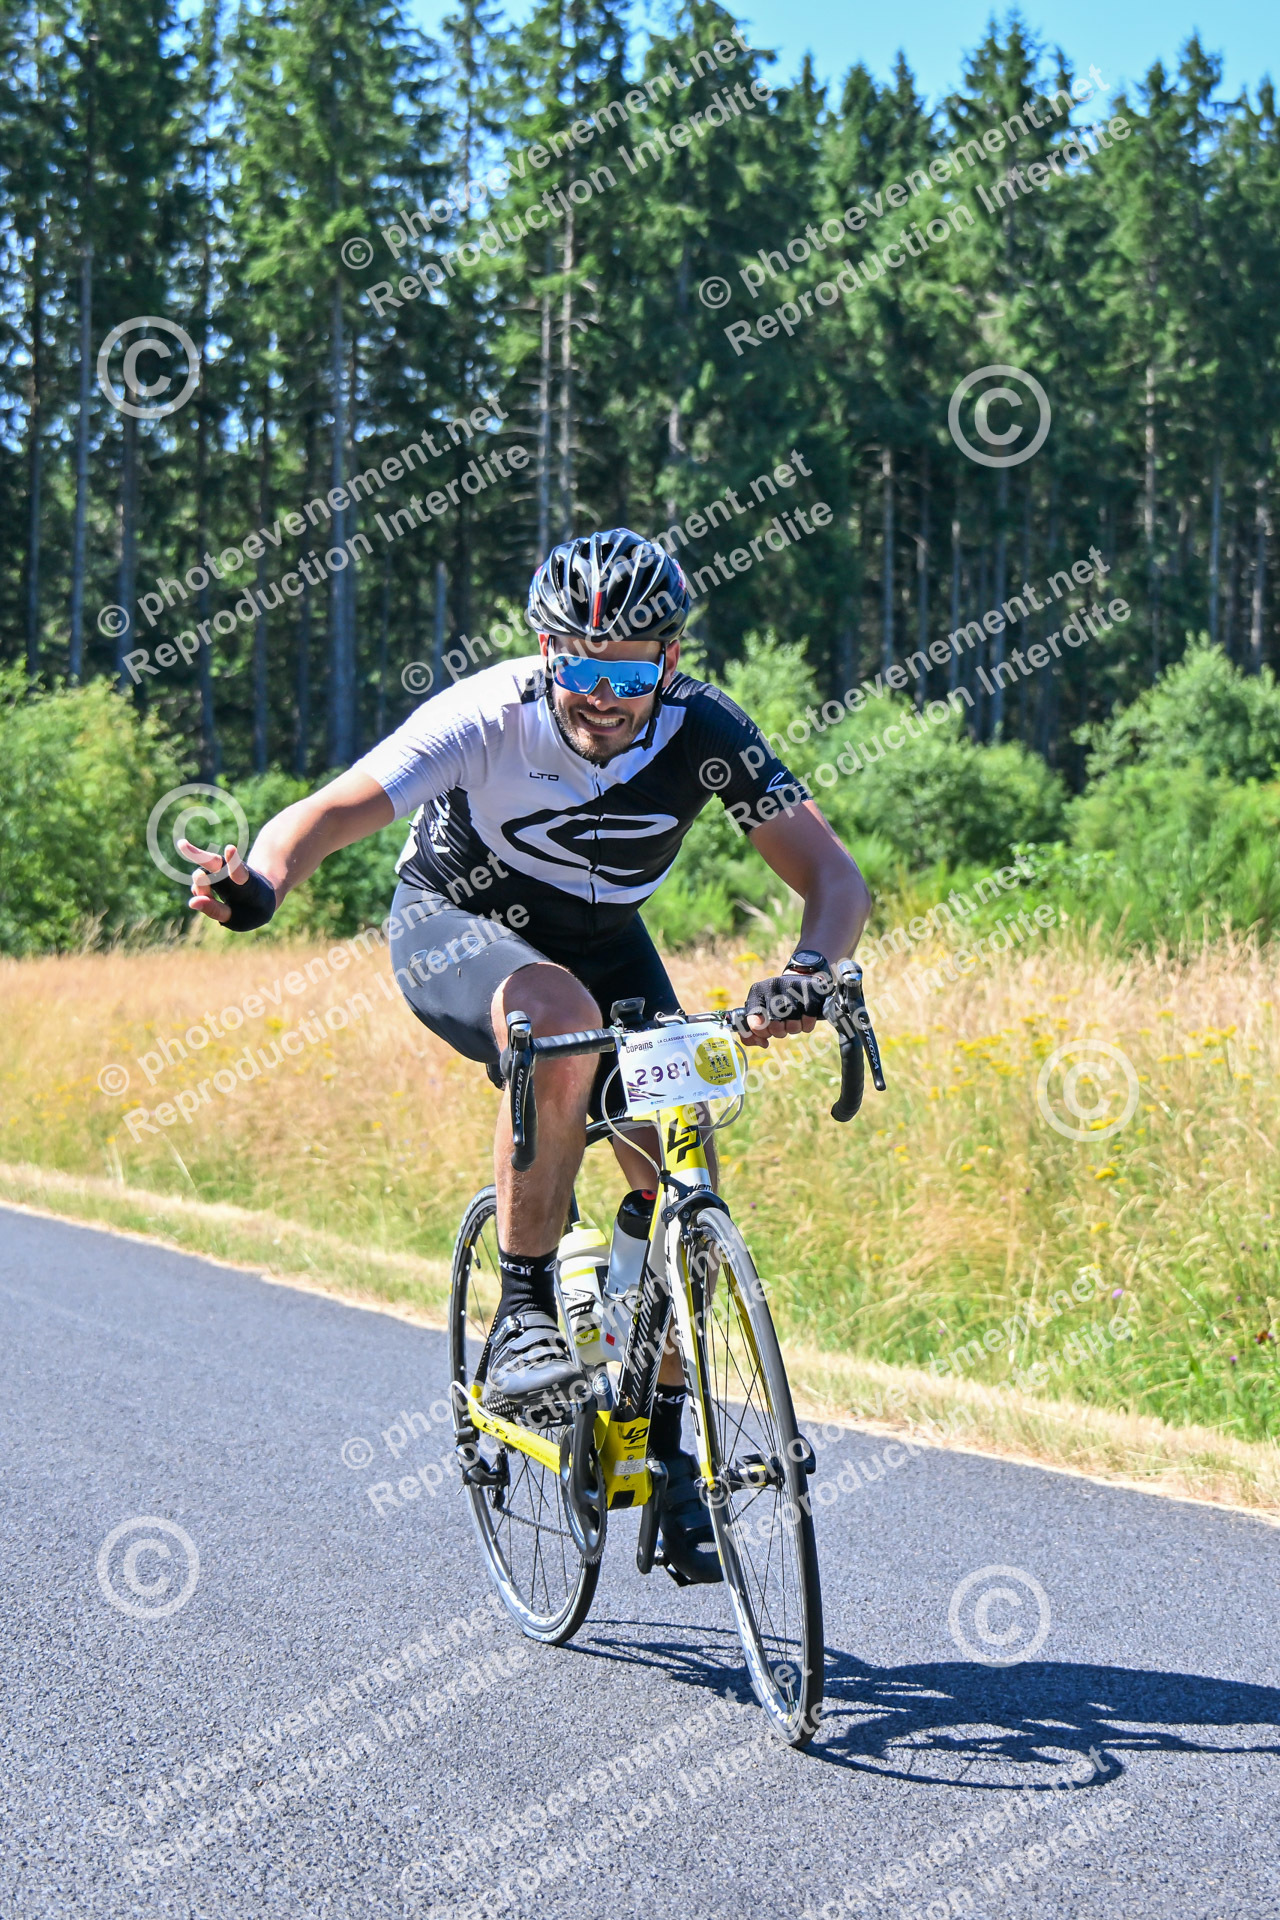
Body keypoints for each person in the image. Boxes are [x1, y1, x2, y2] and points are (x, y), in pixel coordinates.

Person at [183, 527, 870, 1580]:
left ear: (669, 663)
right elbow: (326, 814)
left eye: (628, 675)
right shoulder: (486, 715)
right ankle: (520, 1313)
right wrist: (259, 886)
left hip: (605, 941)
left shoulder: (705, 730)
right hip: (458, 927)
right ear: (546, 652)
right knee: (554, 1024)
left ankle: (665, 1450)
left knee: (674, 1155)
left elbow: (832, 876)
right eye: (580, 669)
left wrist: (809, 969)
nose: (602, 698)